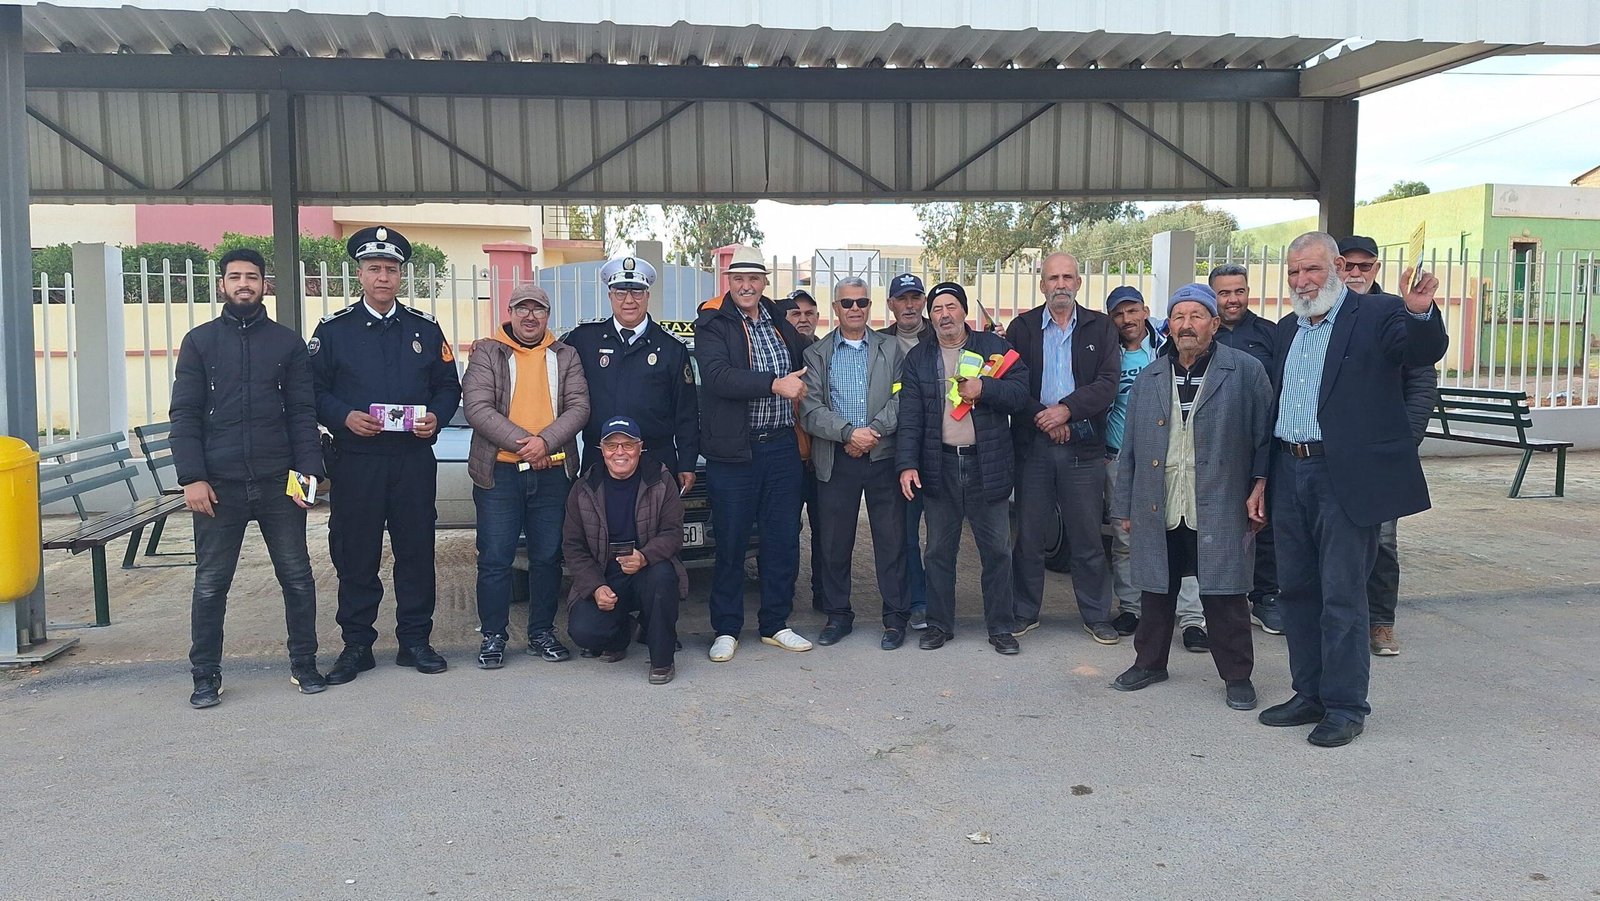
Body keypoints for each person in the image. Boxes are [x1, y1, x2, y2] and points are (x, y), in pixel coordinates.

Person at [1259, 232, 1447, 748]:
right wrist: (1262, 478)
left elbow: (1421, 351)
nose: (1302, 281)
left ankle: (1345, 706)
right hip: (1289, 470)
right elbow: (1276, 407)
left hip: (1343, 476)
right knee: (1297, 592)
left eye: (1312, 269)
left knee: (1342, 594)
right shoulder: (1288, 329)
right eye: (1294, 272)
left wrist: (1420, 313)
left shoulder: (1379, 314)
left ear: (1339, 267)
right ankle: (1309, 693)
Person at [170, 248, 326, 708]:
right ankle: (205, 675)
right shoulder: (199, 342)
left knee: (297, 577)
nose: (244, 284)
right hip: (218, 486)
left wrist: (308, 474)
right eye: (235, 276)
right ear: (222, 284)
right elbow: (184, 414)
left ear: (264, 284)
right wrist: (192, 477)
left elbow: (303, 413)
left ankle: (304, 663)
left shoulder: (287, 344)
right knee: (210, 584)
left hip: (280, 482)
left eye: (252, 277)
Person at [1109, 284, 1273, 711]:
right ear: (1168, 325)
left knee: (1225, 595)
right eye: (1179, 317)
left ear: (1214, 324)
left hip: (1219, 501)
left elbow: (1264, 439)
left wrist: (1261, 486)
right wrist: (1123, 505)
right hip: (1160, 499)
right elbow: (1129, 449)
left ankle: (1237, 676)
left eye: (1196, 316)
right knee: (1155, 589)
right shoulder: (1149, 378)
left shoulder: (1245, 371)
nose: (1186, 325)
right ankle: (1149, 663)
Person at [311, 226, 462, 680]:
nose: (382, 277)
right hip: (357, 460)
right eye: (374, 268)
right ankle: (357, 644)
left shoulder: (424, 329)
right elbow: (311, 390)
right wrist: (343, 417)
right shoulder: (333, 331)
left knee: (416, 551)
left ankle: (415, 640)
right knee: (356, 553)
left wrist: (436, 417)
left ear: (401, 276)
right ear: (359, 274)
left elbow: (448, 386)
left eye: (391, 269)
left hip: (412, 460)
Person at [897, 282, 1032, 654]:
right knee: (938, 552)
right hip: (938, 464)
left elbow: (1020, 394)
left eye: (951, 306)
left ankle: (1001, 627)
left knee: (997, 551)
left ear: (964, 311)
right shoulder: (919, 358)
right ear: (931, 316)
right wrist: (907, 464)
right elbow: (909, 416)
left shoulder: (993, 348)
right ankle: (939, 625)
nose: (945, 315)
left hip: (987, 464)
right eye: (937, 309)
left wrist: (984, 389)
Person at [694, 246, 813, 662]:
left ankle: (775, 623)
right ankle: (726, 629)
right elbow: (717, 377)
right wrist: (774, 384)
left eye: (754, 279)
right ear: (729, 281)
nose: (746, 286)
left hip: (780, 446)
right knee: (731, 543)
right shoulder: (712, 323)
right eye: (739, 278)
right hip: (734, 452)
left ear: (764, 282)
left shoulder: (778, 318)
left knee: (782, 540)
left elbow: (807, 355)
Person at [462, 283, 589, 668]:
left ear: (547, 316)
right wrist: (527, 445)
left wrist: (545, 443)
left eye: (538, 309)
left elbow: (580, 406)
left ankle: (541, 632)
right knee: (495, 558)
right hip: (499, 473)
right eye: (522, 309)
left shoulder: (566, 355)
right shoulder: (487, 352)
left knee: (547, 557)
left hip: (552, 473)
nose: (530, 316)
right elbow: (477, 408)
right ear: (511, 313)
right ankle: (493, 635)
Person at [1005, 252, 1122, 644]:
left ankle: (1096, 615)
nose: (1060, 285)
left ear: (1078, 283)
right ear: (1042, 285)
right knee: (1029, 536)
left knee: (1087, 538)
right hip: (1033, 446)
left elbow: (1108, 383)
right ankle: (1024, 611)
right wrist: (1045, 418)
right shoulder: (1021, 328)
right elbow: (1012, 384)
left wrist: (1066, 412)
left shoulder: (1101, 327)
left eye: (1067, 277)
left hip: (1082, 448)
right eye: (1053, 278)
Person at [1337, 235, 1440, 658]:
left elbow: (1421, 380)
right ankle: (1338, 620)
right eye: (1348, 265)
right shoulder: (1318, 314)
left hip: (1381, 456)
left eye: (1365, 265)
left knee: (1382, 542)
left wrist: (1404, 441)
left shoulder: (1398, 311)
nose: (1356, 273)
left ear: (1376, 269)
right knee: (1333, 542)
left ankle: (1381, 622)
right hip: (1331, 453)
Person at [800, 277, 909, 650]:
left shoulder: (891, 348)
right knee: (834, 542)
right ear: (835, 308)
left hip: (882, 455)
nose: (855, 309)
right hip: (837, 457)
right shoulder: (816, 354)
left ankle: (895, 619)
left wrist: (872, 432)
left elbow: (902, 397)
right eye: (847, 303)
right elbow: (810, 409)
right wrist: (848, 434)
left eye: (861, 302)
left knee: (891, 540)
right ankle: (837, 616)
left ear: (870, 306)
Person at [1102, 286, 1207, 652]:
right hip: (1121, 458)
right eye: (1118, 314)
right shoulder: (1107, 353)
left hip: (1174, 458)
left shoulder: (1167, 347)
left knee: (1185, 535)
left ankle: (1192, 619)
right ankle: (1132, 608)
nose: (1127, 319)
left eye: (1132, 310)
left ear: (1146, 311)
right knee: (1126, 537)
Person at [563, 416, 687, 684]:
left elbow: (673, 533)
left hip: (647, 567)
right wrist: (595, 586)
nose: (620, 452)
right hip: (605, 571)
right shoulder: (583, 488)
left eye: (628, 445)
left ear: (640, 448)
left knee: (662, 577)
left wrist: (645, 556)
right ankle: (621, 635)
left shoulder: (661, 480)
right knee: (584, 632)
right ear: (601, 450)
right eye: (612, 446)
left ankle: (662, 661)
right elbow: (573, 546)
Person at [562, 254, 698, 492]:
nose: (629, 300)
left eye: (637, 292)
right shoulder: (584, 340)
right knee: (597, 517)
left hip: (655, 459)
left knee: (656, 518)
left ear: (647, 296)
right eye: (620, 292)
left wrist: (687, 462)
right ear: (610, 296)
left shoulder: (671, 347)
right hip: (599, 460)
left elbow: (686, 411)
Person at [1208, 262, 1283, 635]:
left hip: (1261, 442)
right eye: (1224, 293)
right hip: (1213, 444)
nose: (1232, 299)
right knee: (1215, 523)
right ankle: (1214, 600)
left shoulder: (1271, 334)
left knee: (1263, 521)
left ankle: (1265, 597)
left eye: (1239, 291)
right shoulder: (1202, 331)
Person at [878, 273, 934, 631]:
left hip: (941, 449)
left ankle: (941, 599)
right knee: (905, 533)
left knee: (942, 534)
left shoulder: (945, 334)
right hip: (897, 453)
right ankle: (918, 601)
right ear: (891, 304)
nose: (910, 305)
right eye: (902, 299)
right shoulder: (878, 342)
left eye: (915, 298)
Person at [777, 287, 829, 614]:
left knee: (827, 532)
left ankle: (825, 597)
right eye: (795, 313)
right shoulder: (776, 354)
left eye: (809, 313)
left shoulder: (828, 353)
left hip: (823, 457)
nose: (803, 319)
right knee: (783, 533)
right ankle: (782, 599)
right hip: (787, 459)